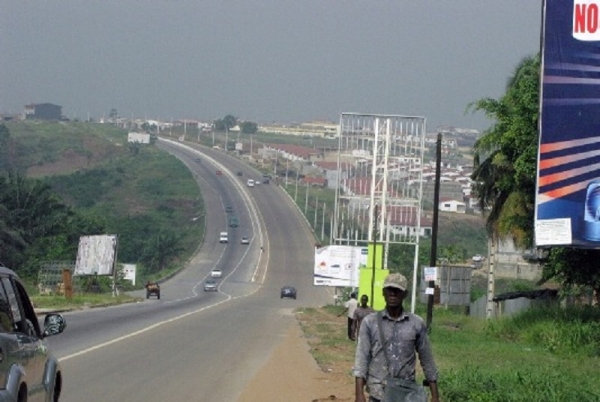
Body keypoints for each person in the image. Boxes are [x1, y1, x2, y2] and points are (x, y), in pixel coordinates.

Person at [354, 273, 440, 402]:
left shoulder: (416, 323)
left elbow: (426, 358)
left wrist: (435, 396)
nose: (393, 294)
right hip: (379, 393)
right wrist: (359, 394)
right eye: (389, 290)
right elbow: (362, 358)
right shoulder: (370, 322)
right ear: (383, 292)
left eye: (397, 291)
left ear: (405, 294)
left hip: (405, 393)